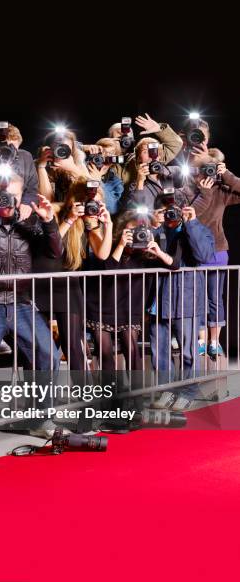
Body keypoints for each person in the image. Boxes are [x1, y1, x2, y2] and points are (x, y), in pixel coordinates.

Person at [0, 183, 63, 425]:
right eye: (4, 193)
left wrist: (50, 221)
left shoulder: (29, 225)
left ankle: (41, 417)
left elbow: (55, 252)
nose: (7, 198)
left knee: (49, 353)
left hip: (20, 303)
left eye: (14, 194)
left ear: (21, 197)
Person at [33, 177, 113, 370]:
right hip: (42, 285)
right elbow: (50, 248)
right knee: (39, 349)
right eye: (90, 201)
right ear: (77, 199)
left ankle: (81, 396)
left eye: (98, 203)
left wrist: (107, 225)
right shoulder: (56, 211)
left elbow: (103, 254)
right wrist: (70, 219)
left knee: (75, 348)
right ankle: (38, 397)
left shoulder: (89, 222)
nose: (93, 206)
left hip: (68, 287)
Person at [86, 210, 172, 371]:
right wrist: (121, 245)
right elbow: (108, 270)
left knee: (132, 352)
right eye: (132, 231)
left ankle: (137, 394)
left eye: (140, 231)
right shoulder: (109, 246)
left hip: (129, 312)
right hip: (101, 309)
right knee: (105, 354)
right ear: (122, 230)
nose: (136, 235)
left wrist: (158, 251)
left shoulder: (146, 255)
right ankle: (109, 393)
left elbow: (173, 266)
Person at [149, 203, 215, 409]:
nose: (170, 214)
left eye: (174, 209)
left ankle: (188, 391)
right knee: (159, 352)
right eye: (166, 209)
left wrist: (191, 223)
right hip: (157, 300)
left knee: (188, 351)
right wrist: (153, 224)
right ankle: (165, 391)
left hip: (186, 298)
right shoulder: (157, 229)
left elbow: (204, 256)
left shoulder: (198, 228)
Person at [181, 158, 240, 357]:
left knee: (215, 299)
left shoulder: (220, 191)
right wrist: (203, 192)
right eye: (202, 169)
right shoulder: (187, 191)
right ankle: (201, 339)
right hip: (193, 252)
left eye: (211, 169)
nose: (205, 173)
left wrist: (227, 174)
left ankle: (214, 341)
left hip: (217, 250)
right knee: (197, 299)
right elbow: (190, 215)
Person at [36, 128, 89, 203]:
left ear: (72, 151)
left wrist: (73, 169)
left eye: (66, 148)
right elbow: (47, 201)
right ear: (48, 148)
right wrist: (41, 167)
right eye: (58, 147)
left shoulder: (76, 163)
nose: (61, 151)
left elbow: (93, 190)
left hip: (73, 211)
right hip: (49, 212)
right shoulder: (37, 165)